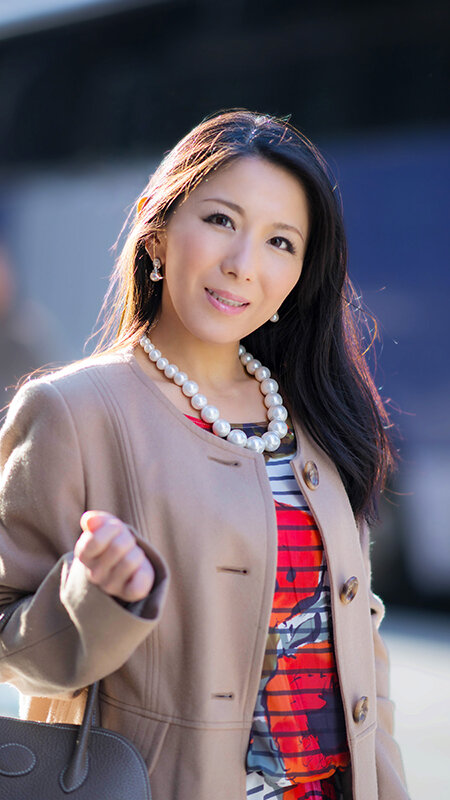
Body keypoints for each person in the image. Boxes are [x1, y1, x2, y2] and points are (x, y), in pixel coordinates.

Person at [0, 109, 409, 800]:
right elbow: (11, 645)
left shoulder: (314, 414)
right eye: (221, 220)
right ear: (156, 230)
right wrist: (95, 596)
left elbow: (360, 646)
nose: (243, 264)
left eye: (280, 241)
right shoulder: (72, 410)